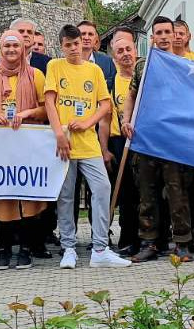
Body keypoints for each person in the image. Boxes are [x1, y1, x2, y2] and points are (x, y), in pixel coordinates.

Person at [44, 25, 132, 270]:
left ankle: (100, 248)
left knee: (103, 189)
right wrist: (59, 133)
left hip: (89, 143)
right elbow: (49, 102)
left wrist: (87, 122)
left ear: (84, 43)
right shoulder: (55, 66)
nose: (74, 49)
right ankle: (69, 248)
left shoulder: (94, 70)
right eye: (68, 45)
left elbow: (105, 105)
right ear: (61, 46)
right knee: (66, 196)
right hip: (64, 144)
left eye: (77, 43)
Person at [126, 17, 192, 262]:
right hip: (146, 136)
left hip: (173, 139)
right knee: (147, 192)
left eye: (168, 32)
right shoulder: (143, 65)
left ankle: (182, 242)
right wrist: (127, 120)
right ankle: (150, 242)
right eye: (159, 32)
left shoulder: (184, 66)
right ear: (153, 36)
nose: (164, 36)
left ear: (175, 35)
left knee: (177, 192)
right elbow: (131, 96)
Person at [0, 31, 49, 269]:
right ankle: (4, 248)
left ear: (23, 49)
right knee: (3, 193)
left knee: (28, 193)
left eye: (15, 45)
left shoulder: (36, 75)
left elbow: (46, 109)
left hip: (28, 143)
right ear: (0, 49)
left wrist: (26, 113)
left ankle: (26, 248)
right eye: (6, 46)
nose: (11, 50)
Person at [106, 31, 141, 255]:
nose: (125, 54)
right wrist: (105, 149)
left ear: (136, 52)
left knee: (148, 192)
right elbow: (106, 118)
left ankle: (153, 236)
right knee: (126, 193)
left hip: (146, 141)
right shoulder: (110, 83)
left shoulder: (147, 78)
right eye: (120, 51)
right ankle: (128, 237)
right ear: (114, 57)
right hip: (120, 141)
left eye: (129, 49)